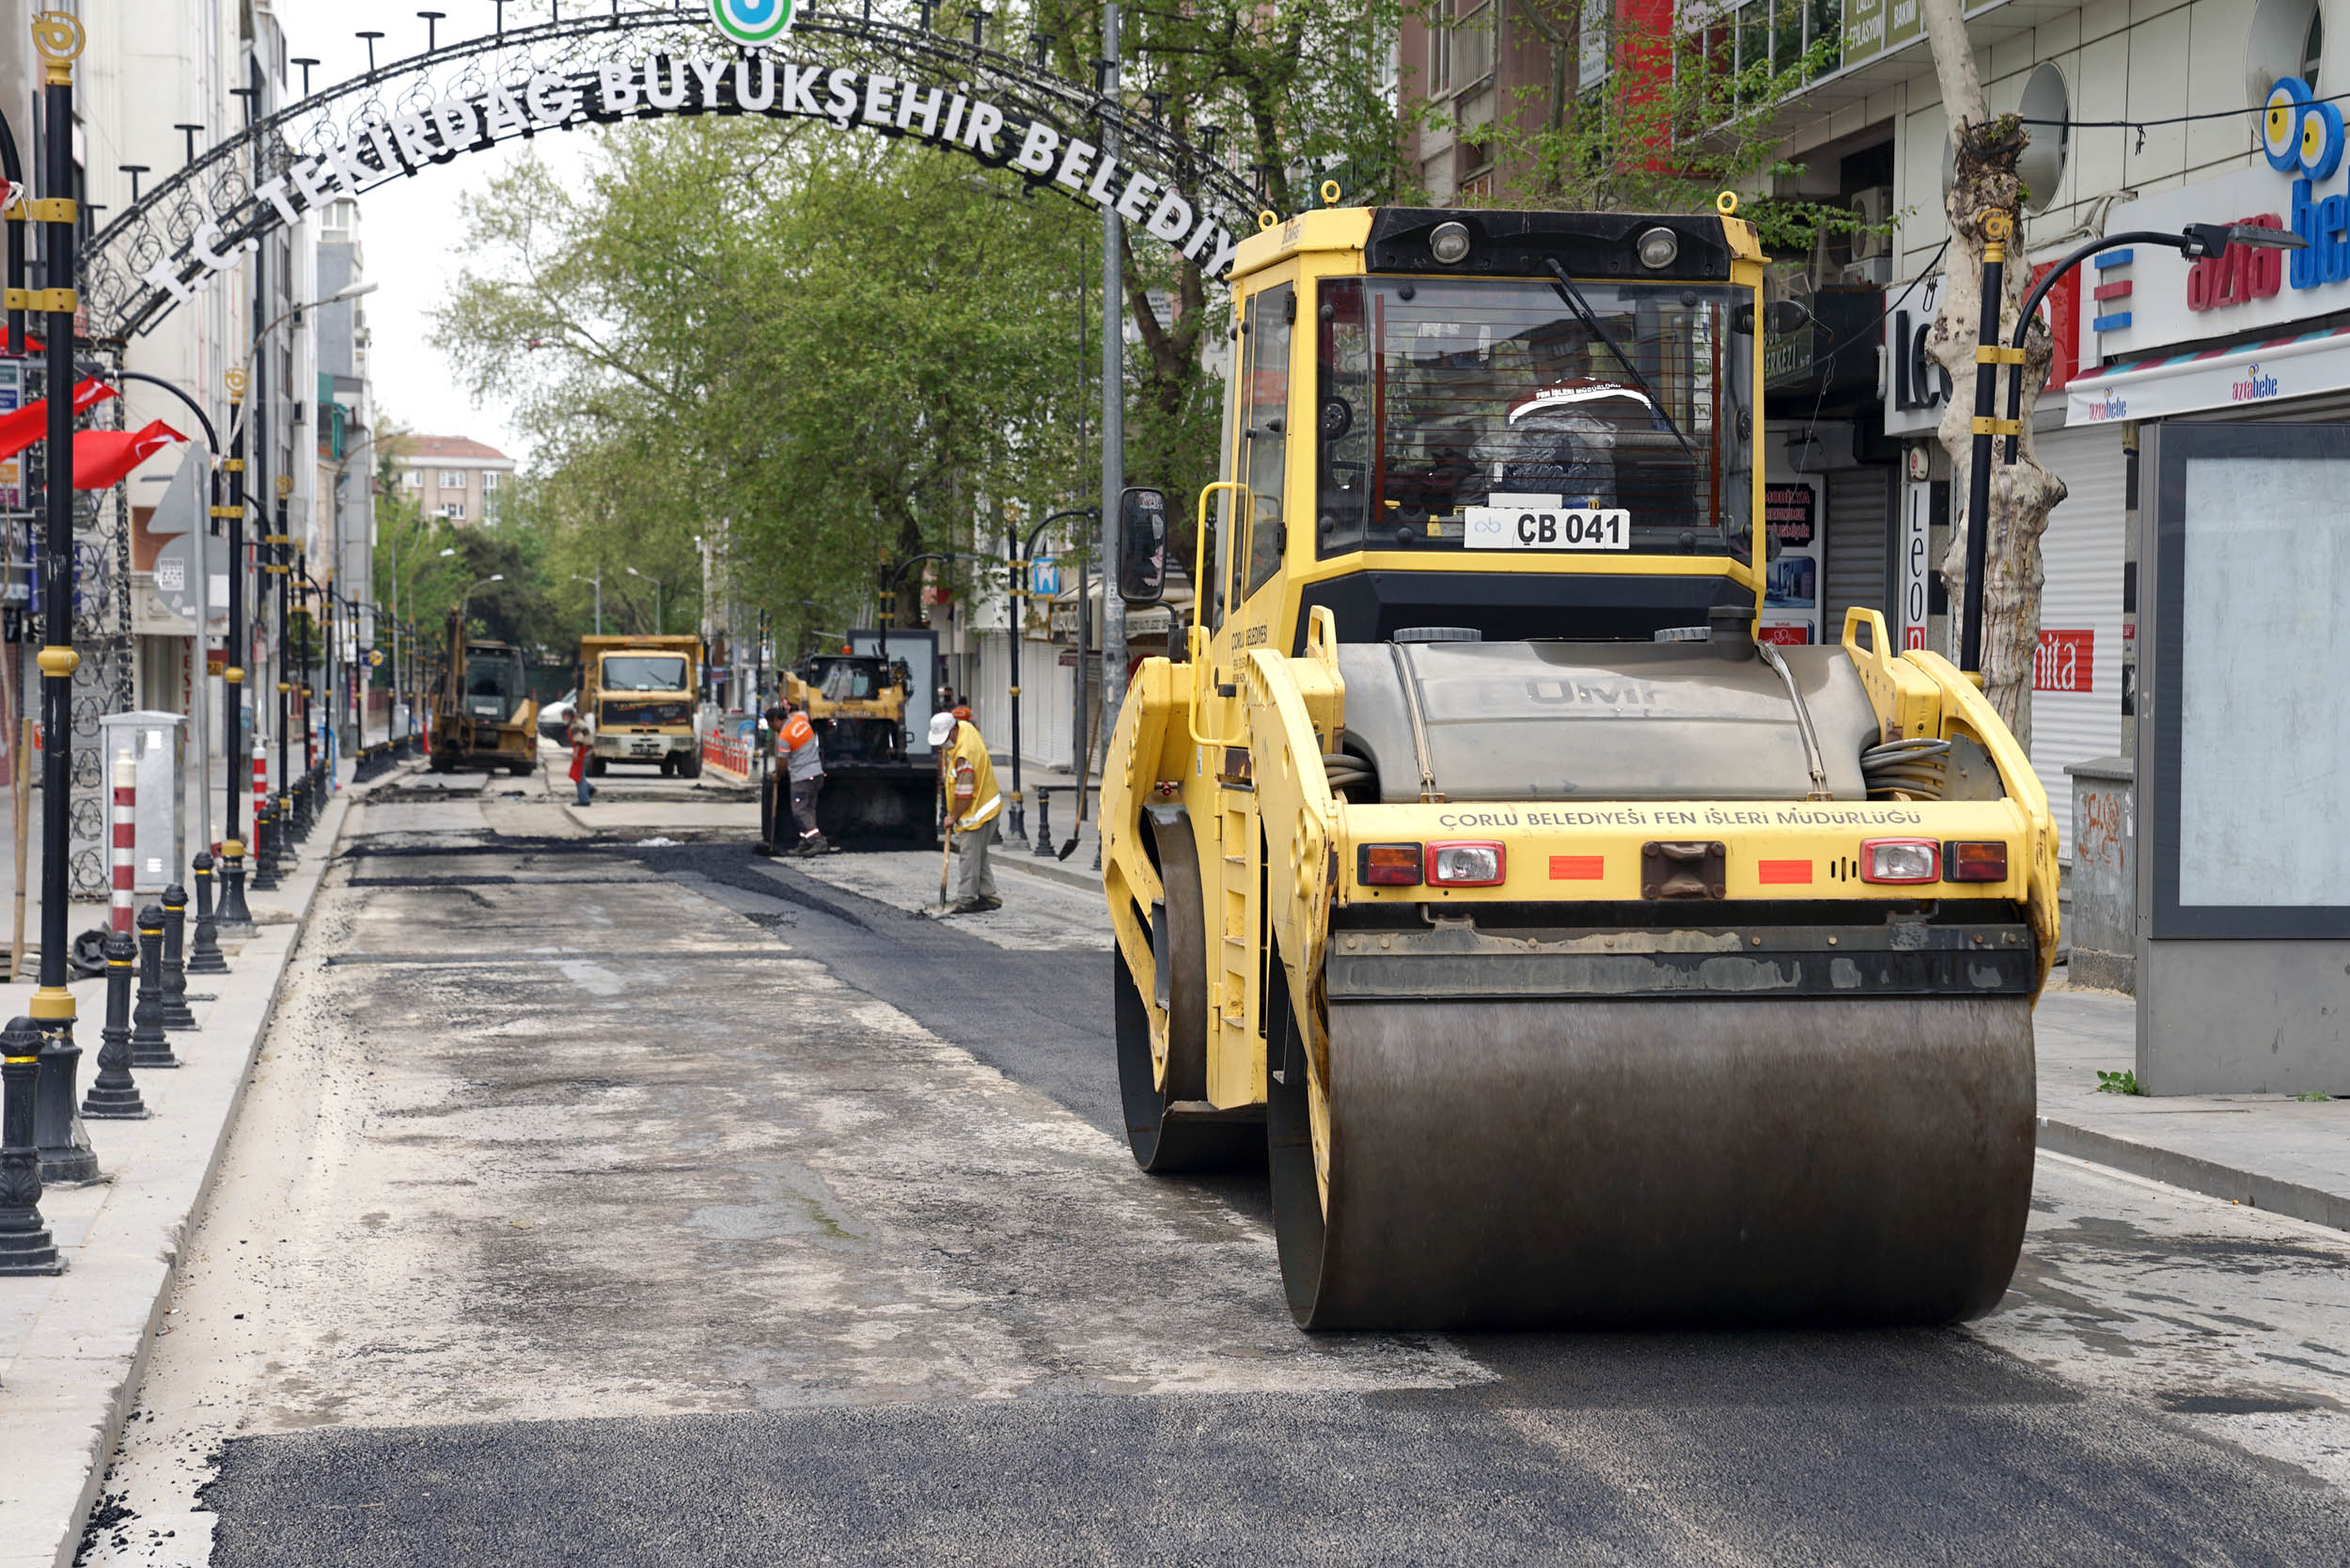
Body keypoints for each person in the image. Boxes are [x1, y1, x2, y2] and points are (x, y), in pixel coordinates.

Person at [932, 709, 1000, 914]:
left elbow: (964, 795)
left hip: (978, 810)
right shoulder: (966, 729)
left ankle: (966, 899)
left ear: (953, 730)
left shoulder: (964, 755)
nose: (943, 745)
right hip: (987, 804)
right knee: (979, 853)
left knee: (969, 854)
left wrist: (953, 817)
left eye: (944, 739)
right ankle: (988, 895)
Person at [778, 698, 829, 855]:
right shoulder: (800, 720)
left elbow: (782, 763)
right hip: (817, 774)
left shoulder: (785, 736)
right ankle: (806, 842)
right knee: (808, 810)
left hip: (802, 777)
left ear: (774, 720)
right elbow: (803, 714)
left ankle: (818, 841)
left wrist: (776, 776)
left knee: (799, 811)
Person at [568, 713, 594, 808]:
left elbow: (579, 740)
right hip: (588, 750)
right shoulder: (581, 721)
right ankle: (589, 788)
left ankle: (584, 800)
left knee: (578, 776)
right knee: (580, 774)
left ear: (567, 716)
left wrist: (576, 753)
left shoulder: (574, 724)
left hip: (582, 752)